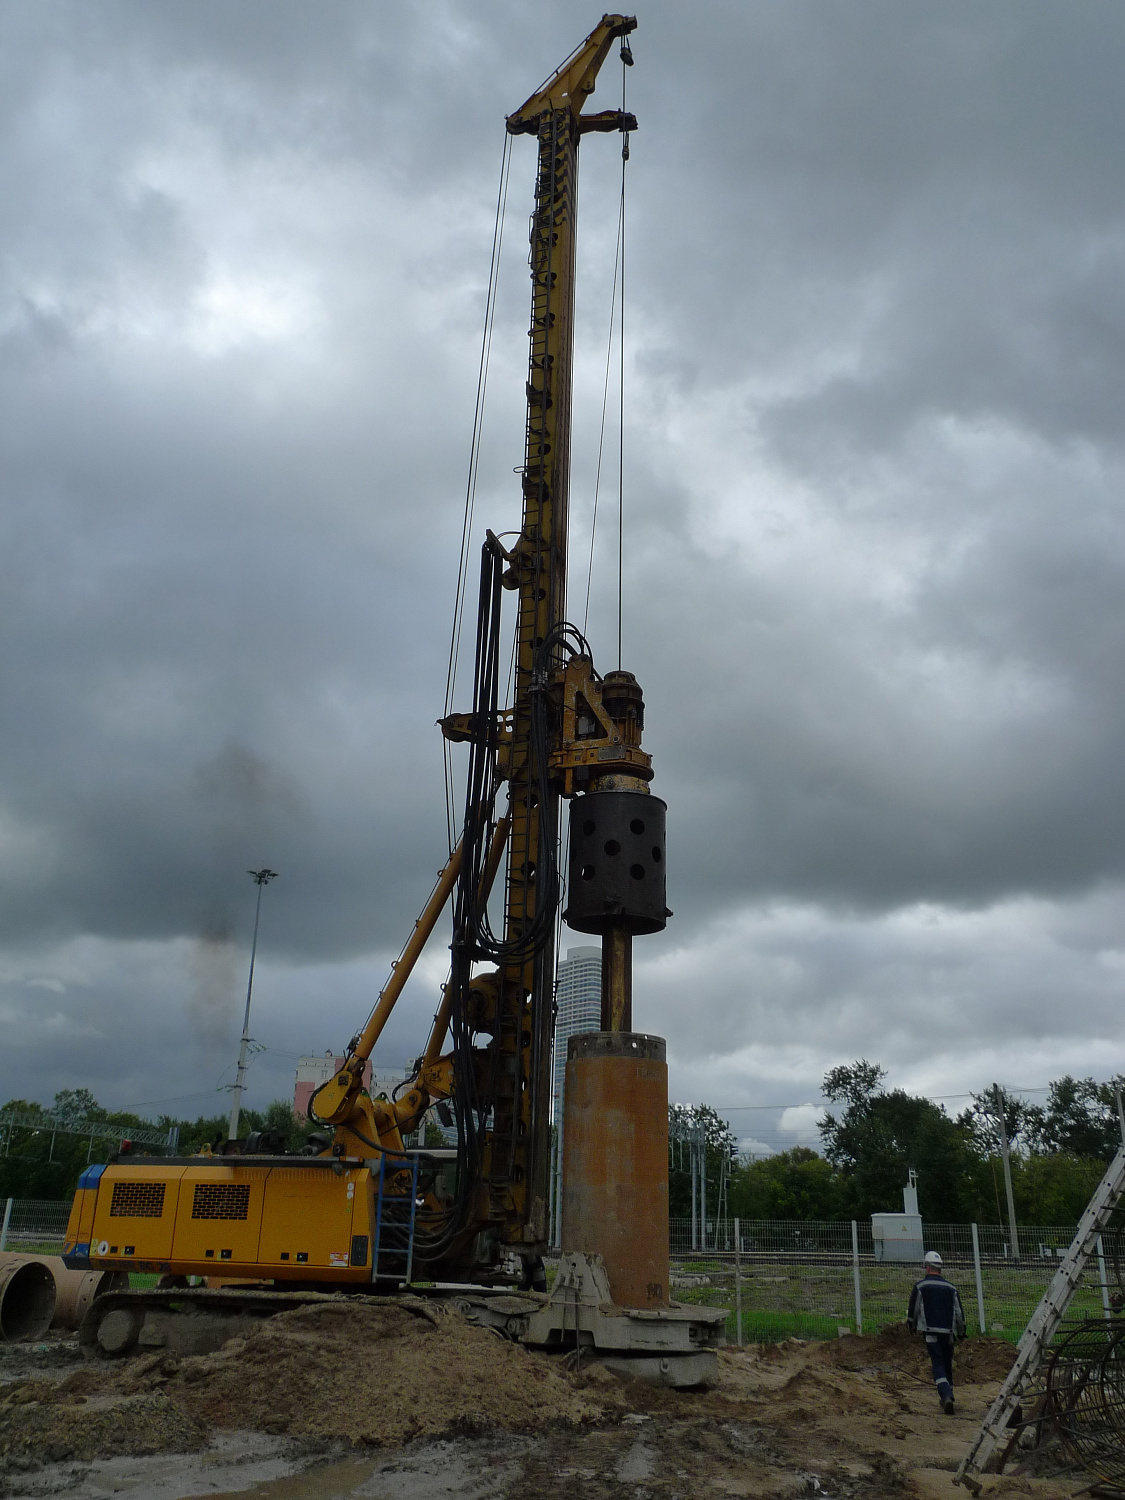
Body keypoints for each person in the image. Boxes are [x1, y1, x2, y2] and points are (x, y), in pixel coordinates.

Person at [907, 1250, 967, 1415]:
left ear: (927, 1267)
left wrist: (911, 1326)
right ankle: (949, 1396)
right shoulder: (951, 1288)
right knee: (947, 1363)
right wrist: (961, 1332)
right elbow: (959, 1313)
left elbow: (914, 1309)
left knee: (938, 1363)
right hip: (948, 1332)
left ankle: (946, 1395)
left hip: (930, 1331)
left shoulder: (921, 1286)